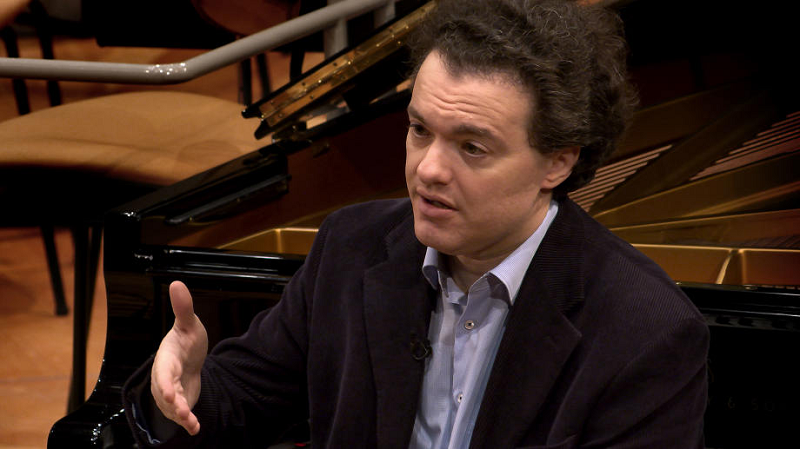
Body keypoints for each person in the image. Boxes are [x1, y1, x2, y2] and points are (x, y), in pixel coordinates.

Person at [122, 0, 709, 447]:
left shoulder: (645, 332)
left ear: (558, 161)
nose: (427, 170)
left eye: (472, 147)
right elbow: (236, 402)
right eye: (419, 130)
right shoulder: (351, 247)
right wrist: (180, 391)